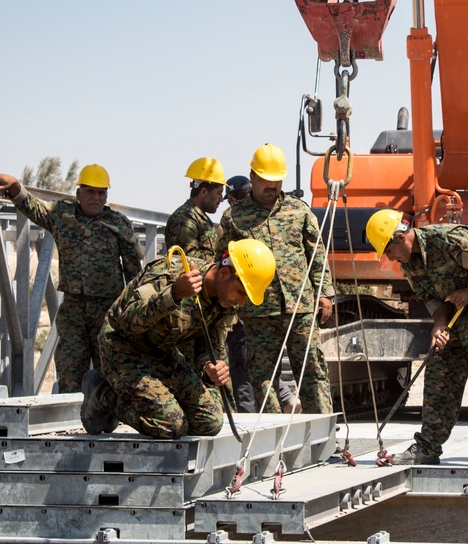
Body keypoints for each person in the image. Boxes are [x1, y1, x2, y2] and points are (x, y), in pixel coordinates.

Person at [365, 209, 468, 468]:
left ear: (399, 237)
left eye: (387, 250)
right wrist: (439, 324)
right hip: (455, 317)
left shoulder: (447, 239)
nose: (389, 258)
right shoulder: (410, 264)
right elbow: (431, 297)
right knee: (440, 375)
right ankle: (428, 446)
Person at [80, 239, 276, 439]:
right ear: (225, 274)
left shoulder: (225, 301)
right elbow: (127, 322)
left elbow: (208, 343)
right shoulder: (171, 274)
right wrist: (174, 294)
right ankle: (103, 394)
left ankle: (153, 404)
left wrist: (209, 367)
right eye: (242, 292)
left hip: (162, 352)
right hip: (123, 349)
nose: (242, 302)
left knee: (210, 422)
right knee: (171, 426)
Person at [0, 164, 143, 393]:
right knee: (70, 367)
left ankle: (107, 417)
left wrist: (132, 309)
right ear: (79, 193)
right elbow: (34, 208)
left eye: (101, 192)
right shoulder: (62, 216)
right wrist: (16, 189)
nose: (96, 197)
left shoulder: (118, 224)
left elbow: (134, 270)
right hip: (74, 307)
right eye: (90, 192)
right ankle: (70, 418)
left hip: (108, 309)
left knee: (109, 369)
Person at [216, 144, 334, 414]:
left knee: (313, 372)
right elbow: (222, 260)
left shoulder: (300, 211)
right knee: (262, 377)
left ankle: (323, 435)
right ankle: (273, 436)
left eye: (277, 180)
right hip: (259, 310)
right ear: (253, 177)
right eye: (266, 180)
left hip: (301, 307)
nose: (272, 186)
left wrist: (325, 293)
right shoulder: (234, 217)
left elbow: (316, 254)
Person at [222, 175, 300, 414]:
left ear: (235, 198)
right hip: (253, 303)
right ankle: (284, 398)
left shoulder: (236, 220)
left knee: (243, 363)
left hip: (247, 305)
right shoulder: (238, 220)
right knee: (257, 365)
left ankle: (249, 415)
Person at [163, 157, 226, 260]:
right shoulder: (184, 218)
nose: (222, 199)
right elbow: (189, 261)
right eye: (219, 193)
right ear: (204, 192)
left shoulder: (198, 217)